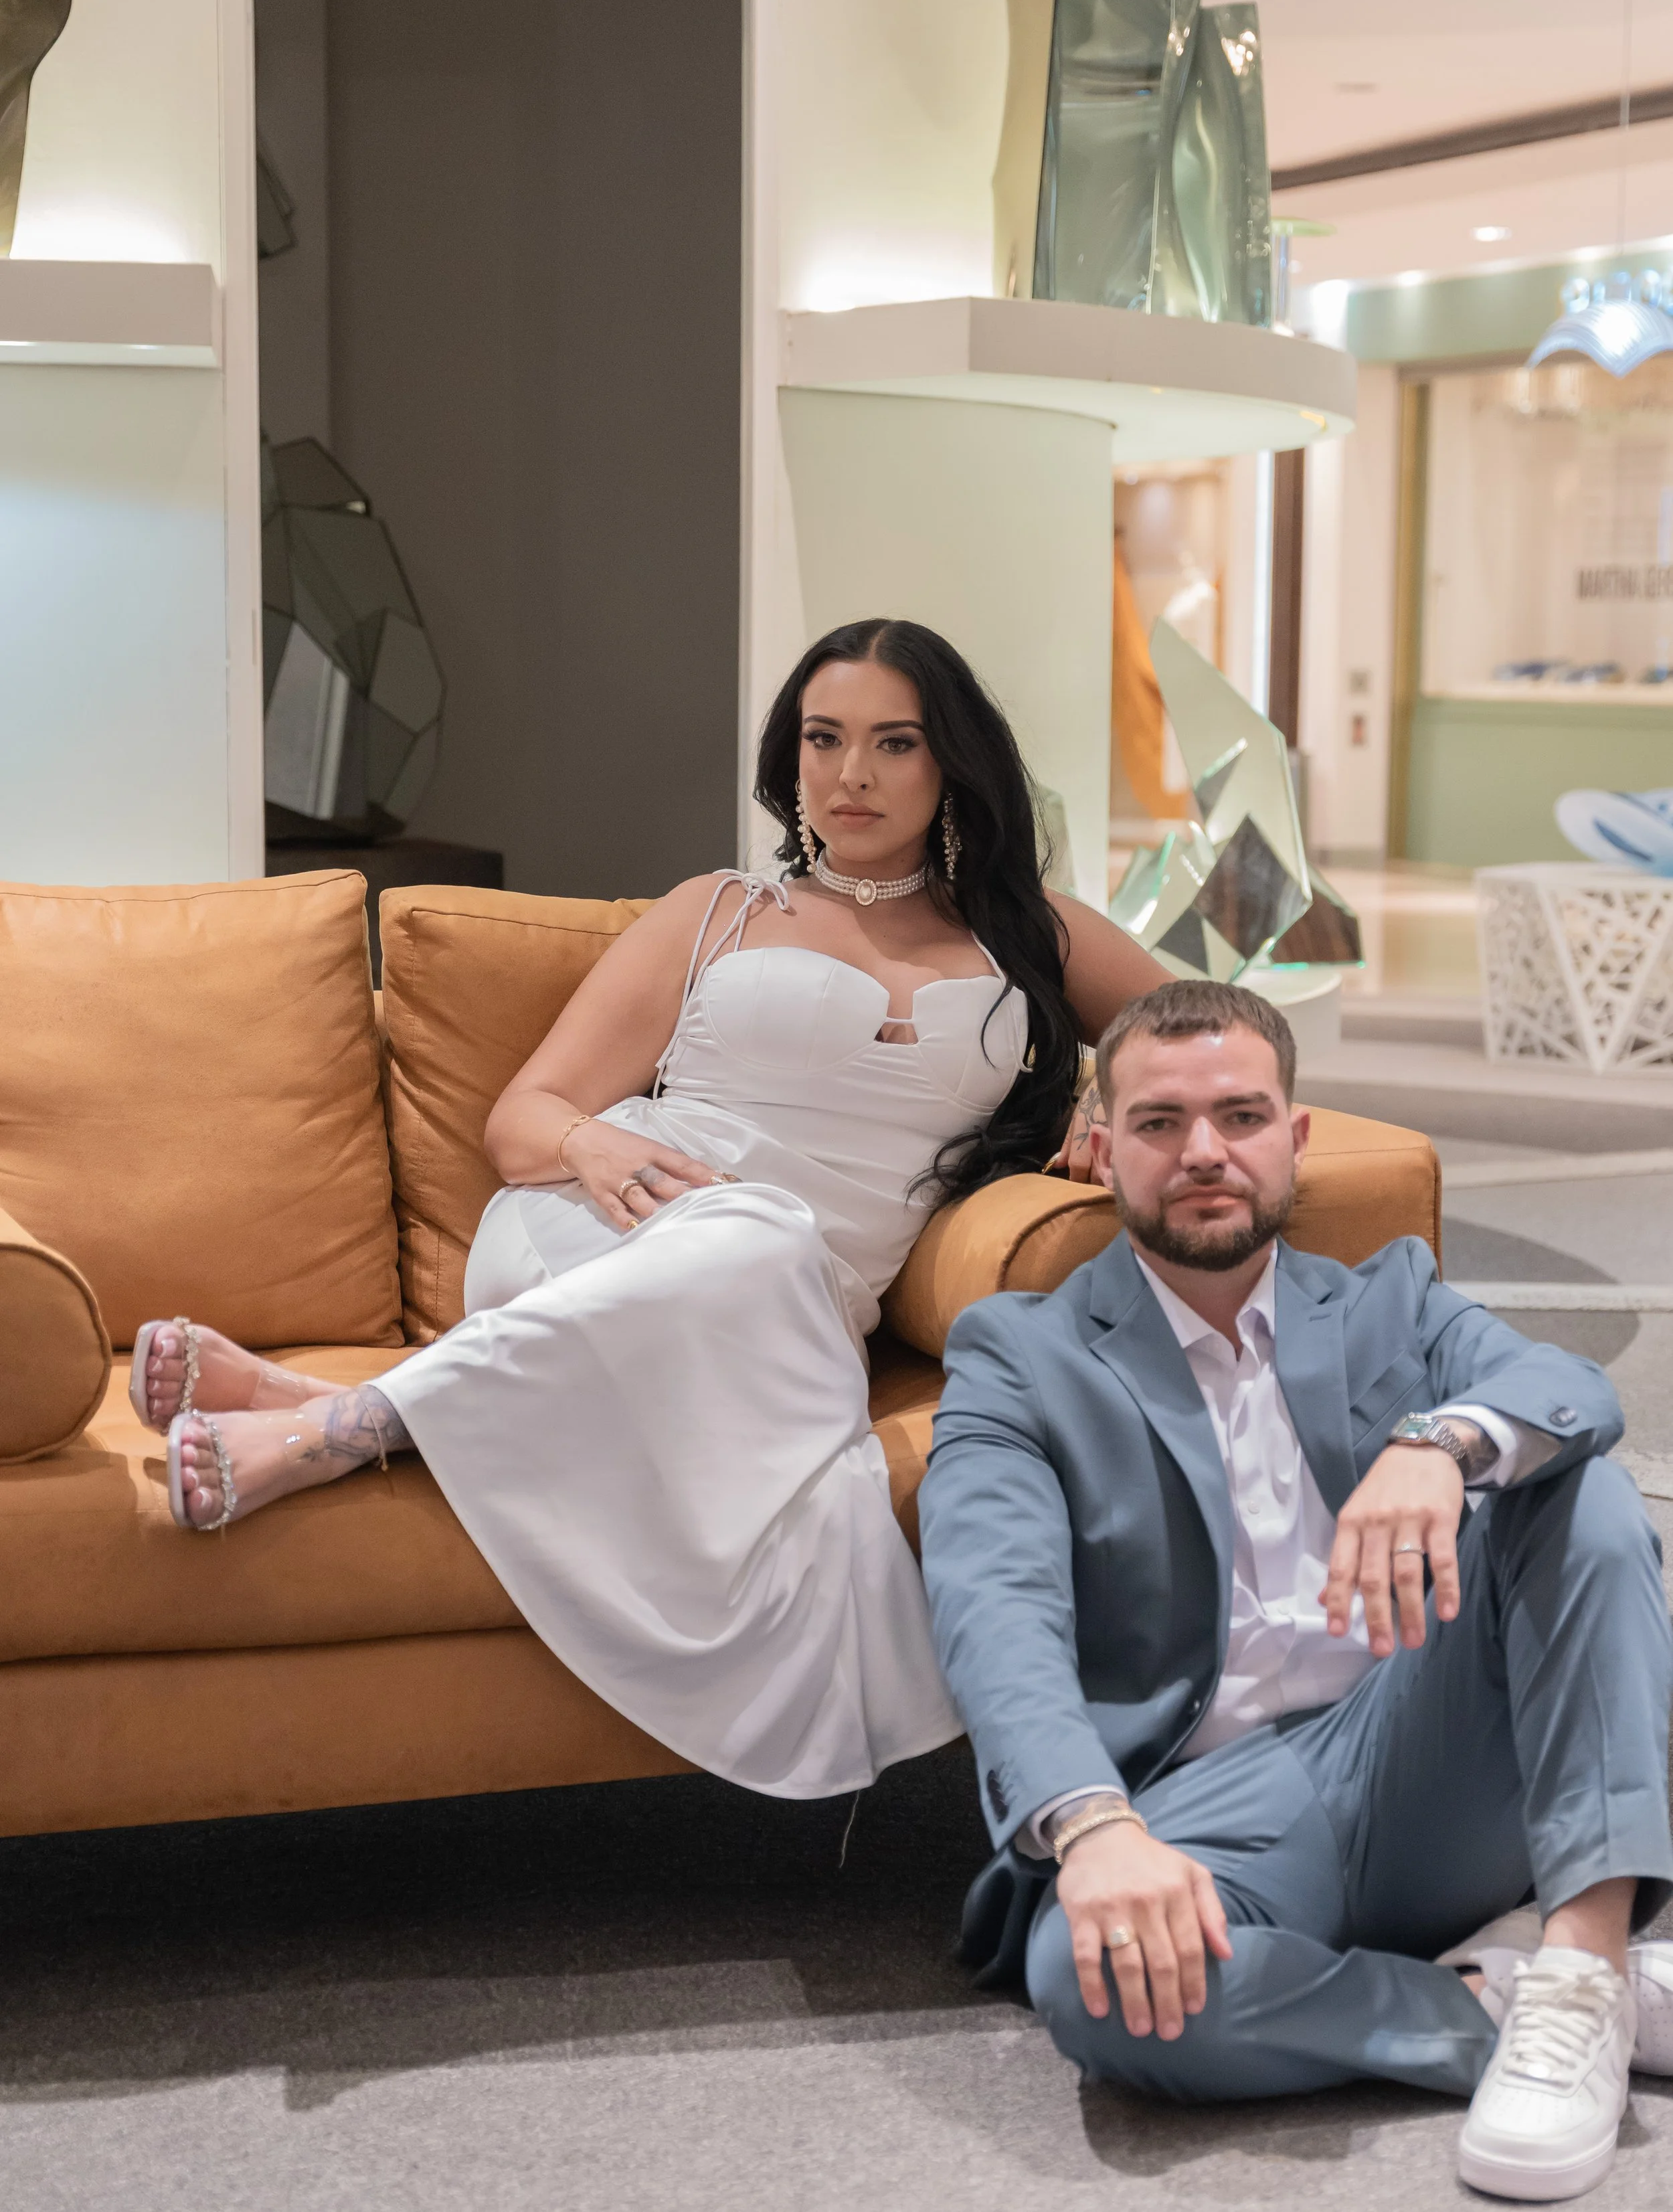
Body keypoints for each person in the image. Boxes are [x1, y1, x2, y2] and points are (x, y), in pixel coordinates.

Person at [130, 618, 1167, 1801]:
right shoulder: (716, 910)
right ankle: (339, 1432)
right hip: (598, 1232)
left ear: (952, 763)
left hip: (784, 1310)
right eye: (823, 739)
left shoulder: (1029, 931)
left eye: (894, 743)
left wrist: (1114, 1096)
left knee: (770, 1238)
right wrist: (591, 1140)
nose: (851, 775)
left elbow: (1209, 1034)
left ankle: (315, 1400)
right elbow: (523, 1118)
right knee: (758, 1226)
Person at [919, 979, 1673, 2202]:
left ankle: (1582, 1965)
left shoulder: (1392, 1298)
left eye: (1240, 1116)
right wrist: (1094, 1830)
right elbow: (993, 1606)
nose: (1204, 1152)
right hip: (1210, 1810)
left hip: (1419, 1740)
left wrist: (1441, 1445)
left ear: (1294, 1136)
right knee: (1094, 1987)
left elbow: (1571, 1391)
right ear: (1102, 1151)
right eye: (1159, 1122)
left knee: (1575, 1491)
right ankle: (1514, 2007)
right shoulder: (1020, 1356)